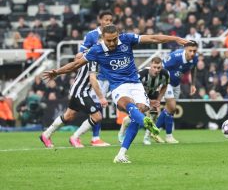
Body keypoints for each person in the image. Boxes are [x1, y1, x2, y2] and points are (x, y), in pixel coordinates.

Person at [42, 24, 190, 163]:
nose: (112, 43)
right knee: (127, 104)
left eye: (114, 39)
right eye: (109, 40)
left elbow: (153, 38)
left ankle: (121, 154)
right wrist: (57, 72)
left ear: (118, 35)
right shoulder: (96, 50)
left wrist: (175, 39)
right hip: (118, 86)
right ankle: (145, 122)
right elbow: (75, 64)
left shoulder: (127, 39)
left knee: (140, 112)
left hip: (136, 83)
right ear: (103, 38)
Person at [40, 53, 108, 148]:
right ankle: (75, 137)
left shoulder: (94, 52)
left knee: (68, 116)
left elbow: (76, 59)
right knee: (97, 117)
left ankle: (46, 134)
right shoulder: (95, 54)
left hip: (78, 89)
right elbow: (92, 78)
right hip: (81, 91)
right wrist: (101, 97)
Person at [79, 10, 113, 147]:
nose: (108, 22)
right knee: (96, 108)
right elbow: (81, 53)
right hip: (96, 76)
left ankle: (94, 137)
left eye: (110, 20)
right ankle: (93, 138)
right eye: (106, 20)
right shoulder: (92, 35)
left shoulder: (114, 34)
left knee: (98, 107)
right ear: (100, 20)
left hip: (109, 76)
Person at [118, 56, 170, 145]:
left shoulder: (165, 74)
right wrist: (149, 101)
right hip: (138, 93)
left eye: (159, 68)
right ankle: (123, 128)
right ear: (150, 65)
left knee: (154, 113)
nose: (156, 70)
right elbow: (134, 88)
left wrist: (158, 100)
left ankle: (147, 137)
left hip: (152, 92)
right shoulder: (141, 74)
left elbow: (165, 86)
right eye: (154, 67)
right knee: (139, 113)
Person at [155, 40, 199, 143]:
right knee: (172, 107)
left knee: (170, 110)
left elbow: (193, 68)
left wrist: (193, 84)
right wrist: (159, 84)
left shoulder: (195, 58)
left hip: (176, 84)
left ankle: (152, 132)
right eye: (190, 51)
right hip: (166, 83)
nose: (192, 53)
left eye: (194, 51)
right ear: (185, 49)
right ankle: (169, 136)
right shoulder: (175, 57)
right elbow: (161, 68)